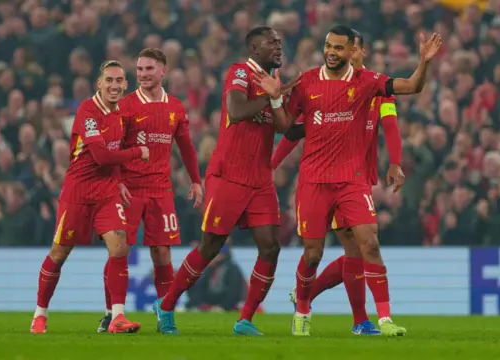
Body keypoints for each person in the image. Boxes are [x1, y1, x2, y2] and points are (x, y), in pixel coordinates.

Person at [254, 25, 442, 336]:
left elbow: (407, 95)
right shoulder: (307, 81)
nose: (332, 52)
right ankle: (304, 305)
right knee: (314, 254)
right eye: (329, 45)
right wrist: (275, 103)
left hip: (354, 180)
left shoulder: (371, 83)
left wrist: (424, 63)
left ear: (355, 51)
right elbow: (287, 128)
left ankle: (381, 320)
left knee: (368, 245)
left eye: (340, 47)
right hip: (314, 181)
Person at [153, 26, 296, 336]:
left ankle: (244, 320)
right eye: (272, 43)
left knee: (270, 247)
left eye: (280, 43)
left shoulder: (275, 83)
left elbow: (284, 126)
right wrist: (272, 96)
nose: (278, 47)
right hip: (229, 173)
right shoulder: (240, 72)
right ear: (255, 48)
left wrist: (286, 101)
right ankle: (166, 306)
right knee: (211, 246)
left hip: (260, 178)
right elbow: (236, 109)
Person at [271, 30, 403, 336]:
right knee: (351, 248)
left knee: (357, 249)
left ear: (360, 52)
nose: (346, 55)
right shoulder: (321, 86)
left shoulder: (375, 88)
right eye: (334, 47)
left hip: (358, 174)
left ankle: (321, 302)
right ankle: (354, 317)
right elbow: (297, 131)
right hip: (329, 176)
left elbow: (391, 127)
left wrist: (395, 161)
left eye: (350, 50)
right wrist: (273, 164)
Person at [30, 60, 148, 334]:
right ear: (99, 83)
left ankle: (117, 317)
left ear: (125, 85)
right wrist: (137, 153)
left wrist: (118, 181)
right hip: (78, 193)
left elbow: (113, 157)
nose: (114, 85)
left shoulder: (121, 115)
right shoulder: (87, 111)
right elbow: (102, 156)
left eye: (119, 81)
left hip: (106, 192)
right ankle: (40, 315)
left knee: (119, 248)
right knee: (59, 253)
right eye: (109, 80)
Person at [96, 49, 203, 332]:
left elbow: (186, 147)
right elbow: (113, 148)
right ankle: (112, 314)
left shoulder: (175, 107)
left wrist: (196, 180)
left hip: (160, 189)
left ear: (163, 71)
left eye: (149, 69)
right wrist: (116, 181)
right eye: (140, 69)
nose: (143, 74)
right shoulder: (126, 105)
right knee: (119, 251)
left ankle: (165, 315)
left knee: (163, 254)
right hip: (129, 189)